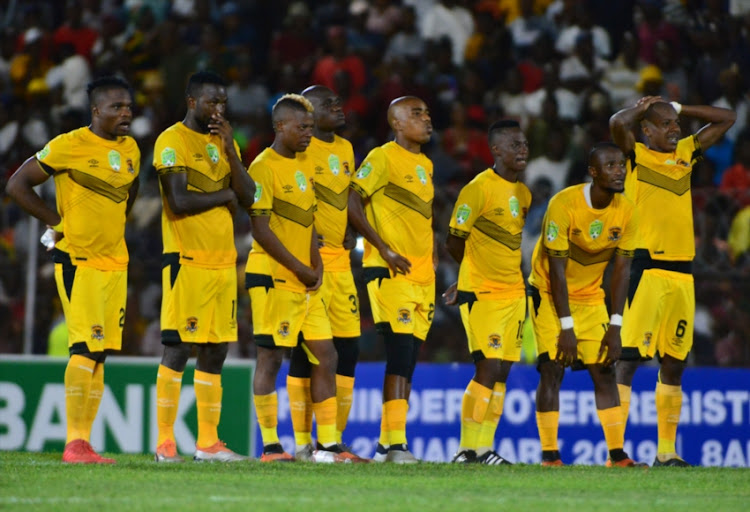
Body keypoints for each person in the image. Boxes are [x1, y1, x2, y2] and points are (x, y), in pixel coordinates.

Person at [7, 76, 140, 464]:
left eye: (129, 106)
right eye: (117, 107)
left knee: (99, 354)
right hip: (79, 260)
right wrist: (58, 223)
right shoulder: (69, 145)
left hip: (116, 262)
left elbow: (128, 191)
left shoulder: (131, 148)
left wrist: (114, 226)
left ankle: (85, 443)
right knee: (84, 349)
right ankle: (74, 442)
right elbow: (17, 185)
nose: (126, 113)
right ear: (96, 111)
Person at [610, 96, 735, 467]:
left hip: (683, 273)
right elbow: (618, 123)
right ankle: (617, 453)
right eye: (664, 124)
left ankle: (666, 452)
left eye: (674, 124)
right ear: (645, 130)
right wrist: (644, 107)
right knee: (629, 361)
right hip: (645, 270)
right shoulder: (632, 156)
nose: (674, 129)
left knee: (675, 361)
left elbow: (727, 119)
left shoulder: (685, 153)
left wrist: (680, 108)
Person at [246, 94, 361, 463]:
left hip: (305, 278)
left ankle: (326, 445)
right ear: (280, 126)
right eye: (302, 127)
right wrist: (300, 267)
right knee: (271, 359)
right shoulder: (263, 167)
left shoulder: (303, 164)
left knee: (326, 355)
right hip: (272, 276)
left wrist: (316, 267)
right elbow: (260, 230)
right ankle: (270, 445)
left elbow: (308, 220)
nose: (309, 134)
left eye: (311, 128)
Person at [153, 71, 255, 463]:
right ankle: (165, 443)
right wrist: (225, 192)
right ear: (192, 102)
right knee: (179, 348)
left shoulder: (223, 143)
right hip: (187, 260)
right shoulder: (171, 141)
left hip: (224, 263)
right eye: (212, 102)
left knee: (216, 350)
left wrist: (230, 150)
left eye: (224, 103)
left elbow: (249, 197)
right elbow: (178, 201)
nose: (219, 110)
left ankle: (208, 443)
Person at [528, 142, 643, 467]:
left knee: (605, 371)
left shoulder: (627, 210)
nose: (619, 170)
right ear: (593, 172)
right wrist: (567, 328)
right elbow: (557, 271)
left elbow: (622, 270)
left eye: (621, 165)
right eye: (610, 166)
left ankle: (617, 455)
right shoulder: (564, 204)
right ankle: (550, 456)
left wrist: (616, 325)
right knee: (552, 369)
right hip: (550, 293)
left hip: (591, 297)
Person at [348, 96, 434, 463]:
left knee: (410, 357)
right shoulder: (382, 157)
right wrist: (381, 248)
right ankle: (395, 444)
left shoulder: (426, 164)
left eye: (427, 113)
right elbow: (352, 201)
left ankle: (387, 444)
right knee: (399, 354)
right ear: (397, 123)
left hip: (422, 275)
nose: (426, 119)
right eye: (417, 114)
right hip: (389, 269)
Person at [443, 119, 531, 465]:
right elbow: (453, 241)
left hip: (514, 293)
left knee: (503, 372)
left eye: (524, 145)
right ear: (496, 150)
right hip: (482, 293)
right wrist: (468, 274)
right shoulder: (478, 188)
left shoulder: (524, 194)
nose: (522, 150)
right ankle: (467, 449)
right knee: (488, 369)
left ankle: (484, 448)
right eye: (515, 145)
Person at [284, 85, 362, 461]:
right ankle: (303, 442)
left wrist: (351, 226)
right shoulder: (299, 146)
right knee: (307, 353)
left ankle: (334, 437)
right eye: (327, 103)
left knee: (348, 349)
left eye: (337, 99)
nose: (337, 105)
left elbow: (347, 192)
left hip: (341, 263)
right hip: (310, 263)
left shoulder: (345, 149)